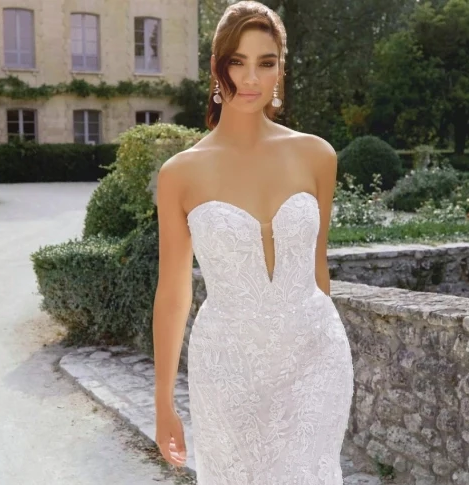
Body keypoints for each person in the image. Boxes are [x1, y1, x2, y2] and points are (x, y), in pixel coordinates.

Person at [151, 2, 353, 483]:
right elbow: (174, 293)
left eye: (266, 62)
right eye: (237, 61)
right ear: (217, 66)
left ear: (282, 68)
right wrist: (163, 402)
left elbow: (317, 270)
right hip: (227, 367)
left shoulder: (316, 155)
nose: (251, 78)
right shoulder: (180, 173)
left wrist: (321, 334)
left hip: (314, 356)